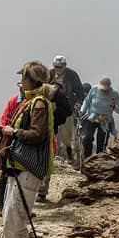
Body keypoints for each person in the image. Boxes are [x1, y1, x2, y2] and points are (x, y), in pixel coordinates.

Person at [0, 61, 55, 238]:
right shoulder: (33, 101)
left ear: (32, 80)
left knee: (16, 216)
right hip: (19, 167)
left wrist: (13, 132)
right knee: (9, 213)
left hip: (28, 168)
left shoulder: (38, 103)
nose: (20, 80)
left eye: (23, 77)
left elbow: (37, 135)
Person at [38, 55, 85, 201]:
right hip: (48, 112)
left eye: (61, 67)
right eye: (56, 67)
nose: (58, 70)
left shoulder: (72, 75)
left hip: (65, 110)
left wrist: (78, 102)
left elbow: (80, 91)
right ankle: (42, 186)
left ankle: (70, 154)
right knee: (49, 143)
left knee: (67, 136)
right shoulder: (49, 74)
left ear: (65, 66)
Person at [80, 76, 119, 157]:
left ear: (109, 86)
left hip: (105, 120)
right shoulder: (94, 89)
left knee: (101, 142)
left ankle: (99, 159)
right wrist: (82, 111)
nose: (103, 90)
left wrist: (114, 106)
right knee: (87, 138)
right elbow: (87, 101)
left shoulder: (114, 94)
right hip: (92, 117)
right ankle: (86, 158)